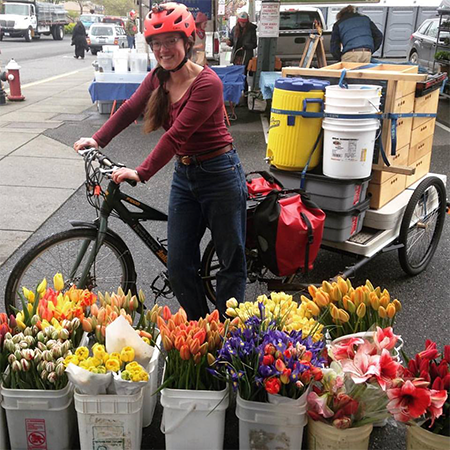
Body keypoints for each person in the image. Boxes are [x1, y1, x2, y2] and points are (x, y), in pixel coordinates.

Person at [73, 2, 247, 321]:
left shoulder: (208, 84)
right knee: (179, 265)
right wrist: (97, 139)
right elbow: (128, 110)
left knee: (230, 261)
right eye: (156, 43)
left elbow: (175, 136)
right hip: (185, 175)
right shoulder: (158, 78)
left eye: (170, 40)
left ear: (187, 41)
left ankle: (230, 337)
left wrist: (141, 172)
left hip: (220, 174)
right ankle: (197, 329)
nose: (163, 49)